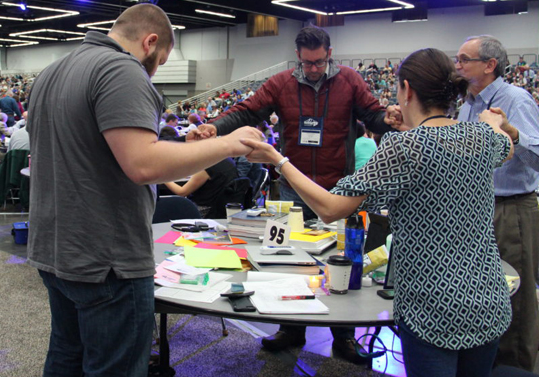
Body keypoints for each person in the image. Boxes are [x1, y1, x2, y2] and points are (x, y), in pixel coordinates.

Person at [242, 48, 513, 377]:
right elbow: (506, 144)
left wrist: (278, 160)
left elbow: (330, 207)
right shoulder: (481, 136)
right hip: (490, 300)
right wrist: (495, 122)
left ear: (407, 89)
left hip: (433, 308)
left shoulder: (404, 146)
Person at [26, 3, 262, 377]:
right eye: (160, 60)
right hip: (108, 260)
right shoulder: (121, 70)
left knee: (66, 357)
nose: (154, 69)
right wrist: (229, 144)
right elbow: (143, 164)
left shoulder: (53, 71)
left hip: (56, 248)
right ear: (150, 42)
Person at [190, 25, 403, 363]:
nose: (313, 69)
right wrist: (216, 126)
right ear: (298, 58)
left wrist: (388, 117)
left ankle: (344, 337)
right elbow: (247, 110)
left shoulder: (350, 80)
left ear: (329, 54)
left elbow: (372, 116)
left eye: (318, 62)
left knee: (343, 261)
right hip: (292, 186)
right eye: (307, 63)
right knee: (290, 261)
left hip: (338, 188)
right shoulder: (282, 82)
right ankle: (291, 328)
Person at [454, 35, 539, 371]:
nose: (457, 65)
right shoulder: (467, 105)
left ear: (489, 65)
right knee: (484, 293)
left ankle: (515, 367)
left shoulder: (515, 99)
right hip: (476, 211)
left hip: (511, 209)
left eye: (464, 59)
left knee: (514, 297)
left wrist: (514, 133)